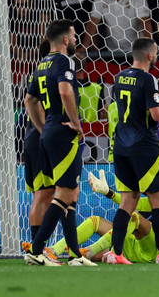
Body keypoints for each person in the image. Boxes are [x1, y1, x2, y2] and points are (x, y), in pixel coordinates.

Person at [23, 19, 95, 267]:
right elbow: (65, 92)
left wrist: (45, 128)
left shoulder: (42, 64)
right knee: (63, 193)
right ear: (65, 40)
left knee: (71, 193)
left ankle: (74, 254)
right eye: (74, 36)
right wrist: (75, 123)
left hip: (51, 129)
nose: (76, 40)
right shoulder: (65, 61)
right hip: (63, 130)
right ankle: (37, 249)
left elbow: (29, 101)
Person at [107, 37, 159, 265]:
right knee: (158, 201)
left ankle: (115, 254)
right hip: (144, 147)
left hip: (121, 146)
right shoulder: (149, 78)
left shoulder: (119, 77)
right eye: (156, 52)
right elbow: (157, 116)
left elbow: (134, 105)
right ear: (150, 55)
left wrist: (156, 94)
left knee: (127, 201)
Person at [22, 39, 55, 260]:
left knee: (45, 194)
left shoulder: (37, 74)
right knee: (44, 194)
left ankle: (39, 248)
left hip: (33, 137)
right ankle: (38, 249)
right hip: (40, 138)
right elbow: (37, 104)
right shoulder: (49, 75)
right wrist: (46, 132)